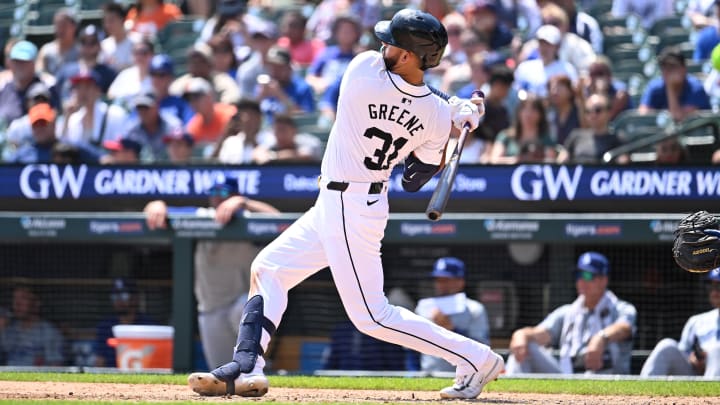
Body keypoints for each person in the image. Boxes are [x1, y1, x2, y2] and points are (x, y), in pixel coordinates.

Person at [187, 8, 503, 400]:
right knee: (270, 268)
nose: (382, 45)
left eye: (392, 42)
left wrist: (450, 107)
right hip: (351, 202)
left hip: (348, 204)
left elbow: (407, 98)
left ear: (408, 54)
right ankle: (248, 364)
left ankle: (476, 359)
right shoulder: (435, 114)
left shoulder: (362, 70)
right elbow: (414, 177)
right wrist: (456, 116)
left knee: (372, 316)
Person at [144, 177, 279, 369]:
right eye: (213, 193)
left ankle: (262, 368)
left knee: (247, 311)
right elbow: (158, 213)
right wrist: (155, 204)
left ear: (234, 194)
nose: (217, 198)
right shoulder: (201, 214)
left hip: (241, 303)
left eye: (223, 193)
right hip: (210, 308)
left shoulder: (248, 218)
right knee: (222, 371)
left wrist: (245, 203)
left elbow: (280, 220)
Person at [506, 252, 637, 375]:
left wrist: (601, 338)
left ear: (603, 280)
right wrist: (520, 334)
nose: (581, 281)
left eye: (587, 275)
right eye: (578, 275)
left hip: (611, 384)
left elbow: (625, 328)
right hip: (568, 380)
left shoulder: (621, 308)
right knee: (523, 346)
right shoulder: (567, 312)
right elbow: (540, 334)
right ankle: (509, 394)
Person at [413, 257, 490, 372]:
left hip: (464, 375)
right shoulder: (424, 307)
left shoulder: (474, 309)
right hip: (429, 374)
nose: (441, 284)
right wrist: (413, 374)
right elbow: (411, 347)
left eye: (446, 280)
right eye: (438, 280)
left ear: (460, 282)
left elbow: (481, 349)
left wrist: (452, 329)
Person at [640, 267, 720, 377]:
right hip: (697, 376)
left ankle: (714, 394)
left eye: (718, 286)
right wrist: (693, 359)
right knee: (666, 345)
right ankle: (644, 392)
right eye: (712, 286)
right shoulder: (697, 321)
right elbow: (684, 352)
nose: (714, 291)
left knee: (717, 351)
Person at [92, 278, 156, 367]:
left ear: (135, 298)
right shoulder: (105, 326)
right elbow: (99, 361)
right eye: (114, 296)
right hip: (112, 376)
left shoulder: (148, 325)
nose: (118, 300)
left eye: (123, 295)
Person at [639, 46, 711, 122]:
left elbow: (679, 120)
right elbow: (643, 116)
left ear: (684, 69)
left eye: (672, 67)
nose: (668, 72)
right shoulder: (654, 87)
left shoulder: (695, 88)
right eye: (664, 67)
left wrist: (670, 88)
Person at [0, 285, 64, 366]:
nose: (17, 304)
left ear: (37, 303)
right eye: (15, 299)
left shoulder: (49, 333)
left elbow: (56, 366)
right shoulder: (8, 329)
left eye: (23, 298)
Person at [558, 93, 623, 164]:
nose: (593, 115)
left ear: (609, 112)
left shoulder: (618, 139)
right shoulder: (575, 136)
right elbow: (560, 162)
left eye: (598, 110)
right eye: (588, 111)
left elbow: (623, 166)